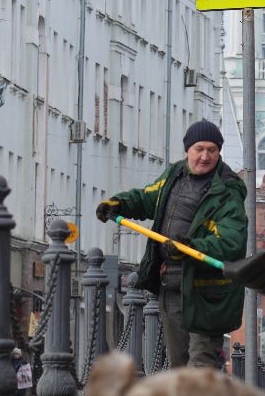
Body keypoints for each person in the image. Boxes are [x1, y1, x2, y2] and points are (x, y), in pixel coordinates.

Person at [96, 119, 247, 370]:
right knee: (179, 366)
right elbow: (147, 198)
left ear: (219, 152)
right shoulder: (174, 175)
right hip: (172, 286)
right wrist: (118, 204)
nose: (205, 156)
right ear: (188, 149)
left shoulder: (228, 191)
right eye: (199, 149)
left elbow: (231, 241)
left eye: (212, 150)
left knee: (201, 367)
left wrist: (190, 247)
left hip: (206, 294)